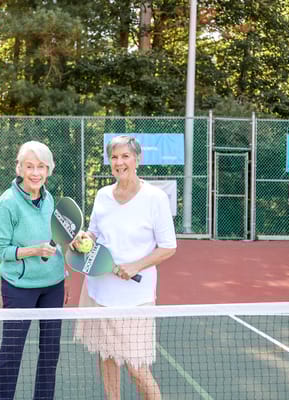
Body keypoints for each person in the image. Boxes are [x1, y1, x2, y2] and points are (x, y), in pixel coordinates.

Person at [72, 135, 176, 400]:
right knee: (107, 357)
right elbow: (94, 234)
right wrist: (84, 240)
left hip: (135, 298)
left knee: (137, 367)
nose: (119, 162)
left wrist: (135, 265)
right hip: (99, 289)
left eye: (125, 156)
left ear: (137, 159)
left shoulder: (155, 198)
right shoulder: (103, 195)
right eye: (115, 157)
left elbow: (168, 247)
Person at [0, 141, 71, 400]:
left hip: (53, 287)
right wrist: (33, 251)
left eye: (41, 167)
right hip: (19, 288)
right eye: (30, 166)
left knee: (50, 352)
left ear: (49, 170)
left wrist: (63, 277)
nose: (36, 173)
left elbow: (55, 239)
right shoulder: (5, 204)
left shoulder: (49, 199)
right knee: (11, 351)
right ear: (19, 168)